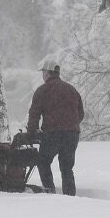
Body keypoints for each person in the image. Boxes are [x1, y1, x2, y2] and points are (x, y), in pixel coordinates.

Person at [27, 60, 84, 196]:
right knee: (67, 167)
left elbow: (34, 114)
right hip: (72, 134)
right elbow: (80, 113)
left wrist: (32, 131)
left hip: (53, 134)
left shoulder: (42, 91)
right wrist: (70, 125)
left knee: (43, 161)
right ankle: (70, 196)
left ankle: (49, 191)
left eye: (43, 72)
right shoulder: (71, 90)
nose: (43, 75)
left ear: (48, 73)